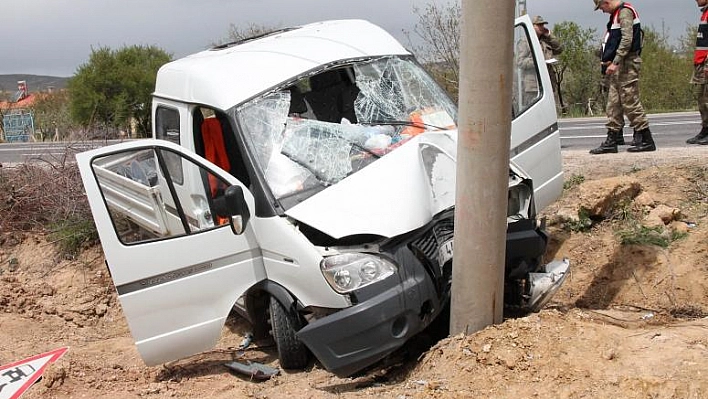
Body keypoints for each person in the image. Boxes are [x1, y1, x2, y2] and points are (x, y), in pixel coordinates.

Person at [590, 0, 656, 154]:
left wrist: (616, 61)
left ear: (606, 2)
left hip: (627, 64)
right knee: (614, 103)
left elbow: (627, 40)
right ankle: (611, 140)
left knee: (630, 100)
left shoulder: (625, 12)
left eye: (601, 7)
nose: (602, 11)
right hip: (619, 66)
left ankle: (646, 138)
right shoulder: (616, 14)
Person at [533, 16, 565, 111]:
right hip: (534, 84)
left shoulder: (546, 40)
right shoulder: (525, 41)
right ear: (532, 26)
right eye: (539, 25)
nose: (542, 27)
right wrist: (540, 62)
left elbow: (559, 49)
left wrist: (550, 35)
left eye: (543, 25)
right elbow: (521, 61)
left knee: (550, 110)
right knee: (536, 111)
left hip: (549, 80)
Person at [688, 0, 708, 145]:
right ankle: (705, 128)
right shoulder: (705, 13)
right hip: (700, 64)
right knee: (701, 98)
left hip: (706, 63)